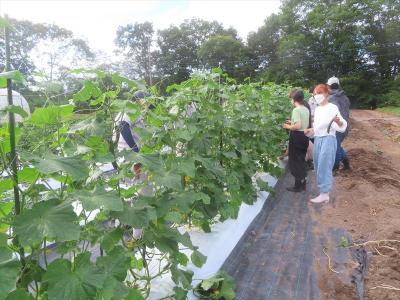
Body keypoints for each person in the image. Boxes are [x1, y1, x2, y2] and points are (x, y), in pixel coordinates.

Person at [304, 84, 347, 203]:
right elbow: (318, 128)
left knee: (325, 165)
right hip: (318, 139)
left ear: (326, 93)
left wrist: (338, 122)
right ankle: (323, 191)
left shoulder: (332, 107)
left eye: (320, 93)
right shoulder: (317, 109)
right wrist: (310, 131)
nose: (317, 95)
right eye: (315, 93)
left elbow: (341, 124)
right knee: (317, 164)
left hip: (328, 139)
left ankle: (325, 193)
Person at [283, 89, 310, 192]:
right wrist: (292, 121)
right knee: (301, 159)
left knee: (294, 161)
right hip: (304, 136)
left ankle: (297, 186)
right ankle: (302, 183)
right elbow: (303, 124)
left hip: (297, 137)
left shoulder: (296, 110)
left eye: (291, 99)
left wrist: (288, 126)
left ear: (294, 99)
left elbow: (298, 126)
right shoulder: (305, 109)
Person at [327, 76, 351, 171]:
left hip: (337, 126)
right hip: (345, 126)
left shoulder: (331, 99)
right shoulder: (345, 97)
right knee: (337, 146)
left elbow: (333, 115)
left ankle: (335, 168)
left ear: (329, 86)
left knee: (335, 148)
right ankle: (346, 164)